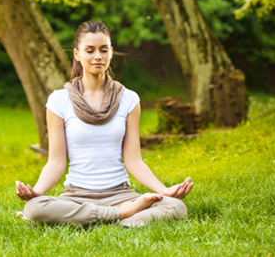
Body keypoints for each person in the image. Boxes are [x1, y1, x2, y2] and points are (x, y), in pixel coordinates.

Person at [16, 21, 193, 228]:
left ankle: (106, 218)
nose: (97, 56)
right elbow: (56, 162)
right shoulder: (59, 100)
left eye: (103, 49)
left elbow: (134, 160)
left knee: (176, 206)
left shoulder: (128, 99)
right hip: (77, 196)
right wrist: (36, 192)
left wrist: (164, 191)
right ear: (77, 54)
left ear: (111, 52)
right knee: (35, 208)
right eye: (89, 50)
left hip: (120, 193)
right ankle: (123, 216)